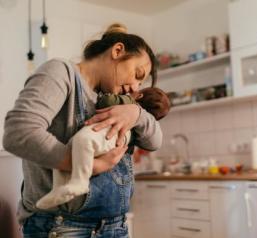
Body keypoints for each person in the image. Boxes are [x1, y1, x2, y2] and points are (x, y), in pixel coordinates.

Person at [2, 23, 162, 237]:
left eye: (141, 84)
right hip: (63, 226)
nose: (135, 87)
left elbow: (155, 142)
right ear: (117, 51)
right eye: (137, 73)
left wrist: (136, 113)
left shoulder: (119, 102)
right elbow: (18, 133)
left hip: (116, 226)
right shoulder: (62, 72)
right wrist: (86, 166)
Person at [36, 87, 170, 210]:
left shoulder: (128, 102)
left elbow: (106, 101)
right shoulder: (141, 124)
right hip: (112, 137)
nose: (133, 87)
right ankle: (59, 189)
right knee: (69, 149)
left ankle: (80, 181)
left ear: (139, 95)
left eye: (138, 85)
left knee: (82, 141)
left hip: (111, 134)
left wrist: (116, 98)